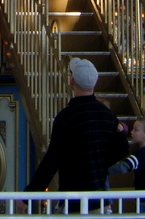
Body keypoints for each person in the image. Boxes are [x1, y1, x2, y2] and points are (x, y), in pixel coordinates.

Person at [20, 57, 128, 213]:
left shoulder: (66, 117)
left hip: (73, 199)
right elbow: (121, 150)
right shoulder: (107, 115)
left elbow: (52, 160)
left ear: (72, 81)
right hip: (99, 199)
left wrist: (29, 194)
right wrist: (100, 163)